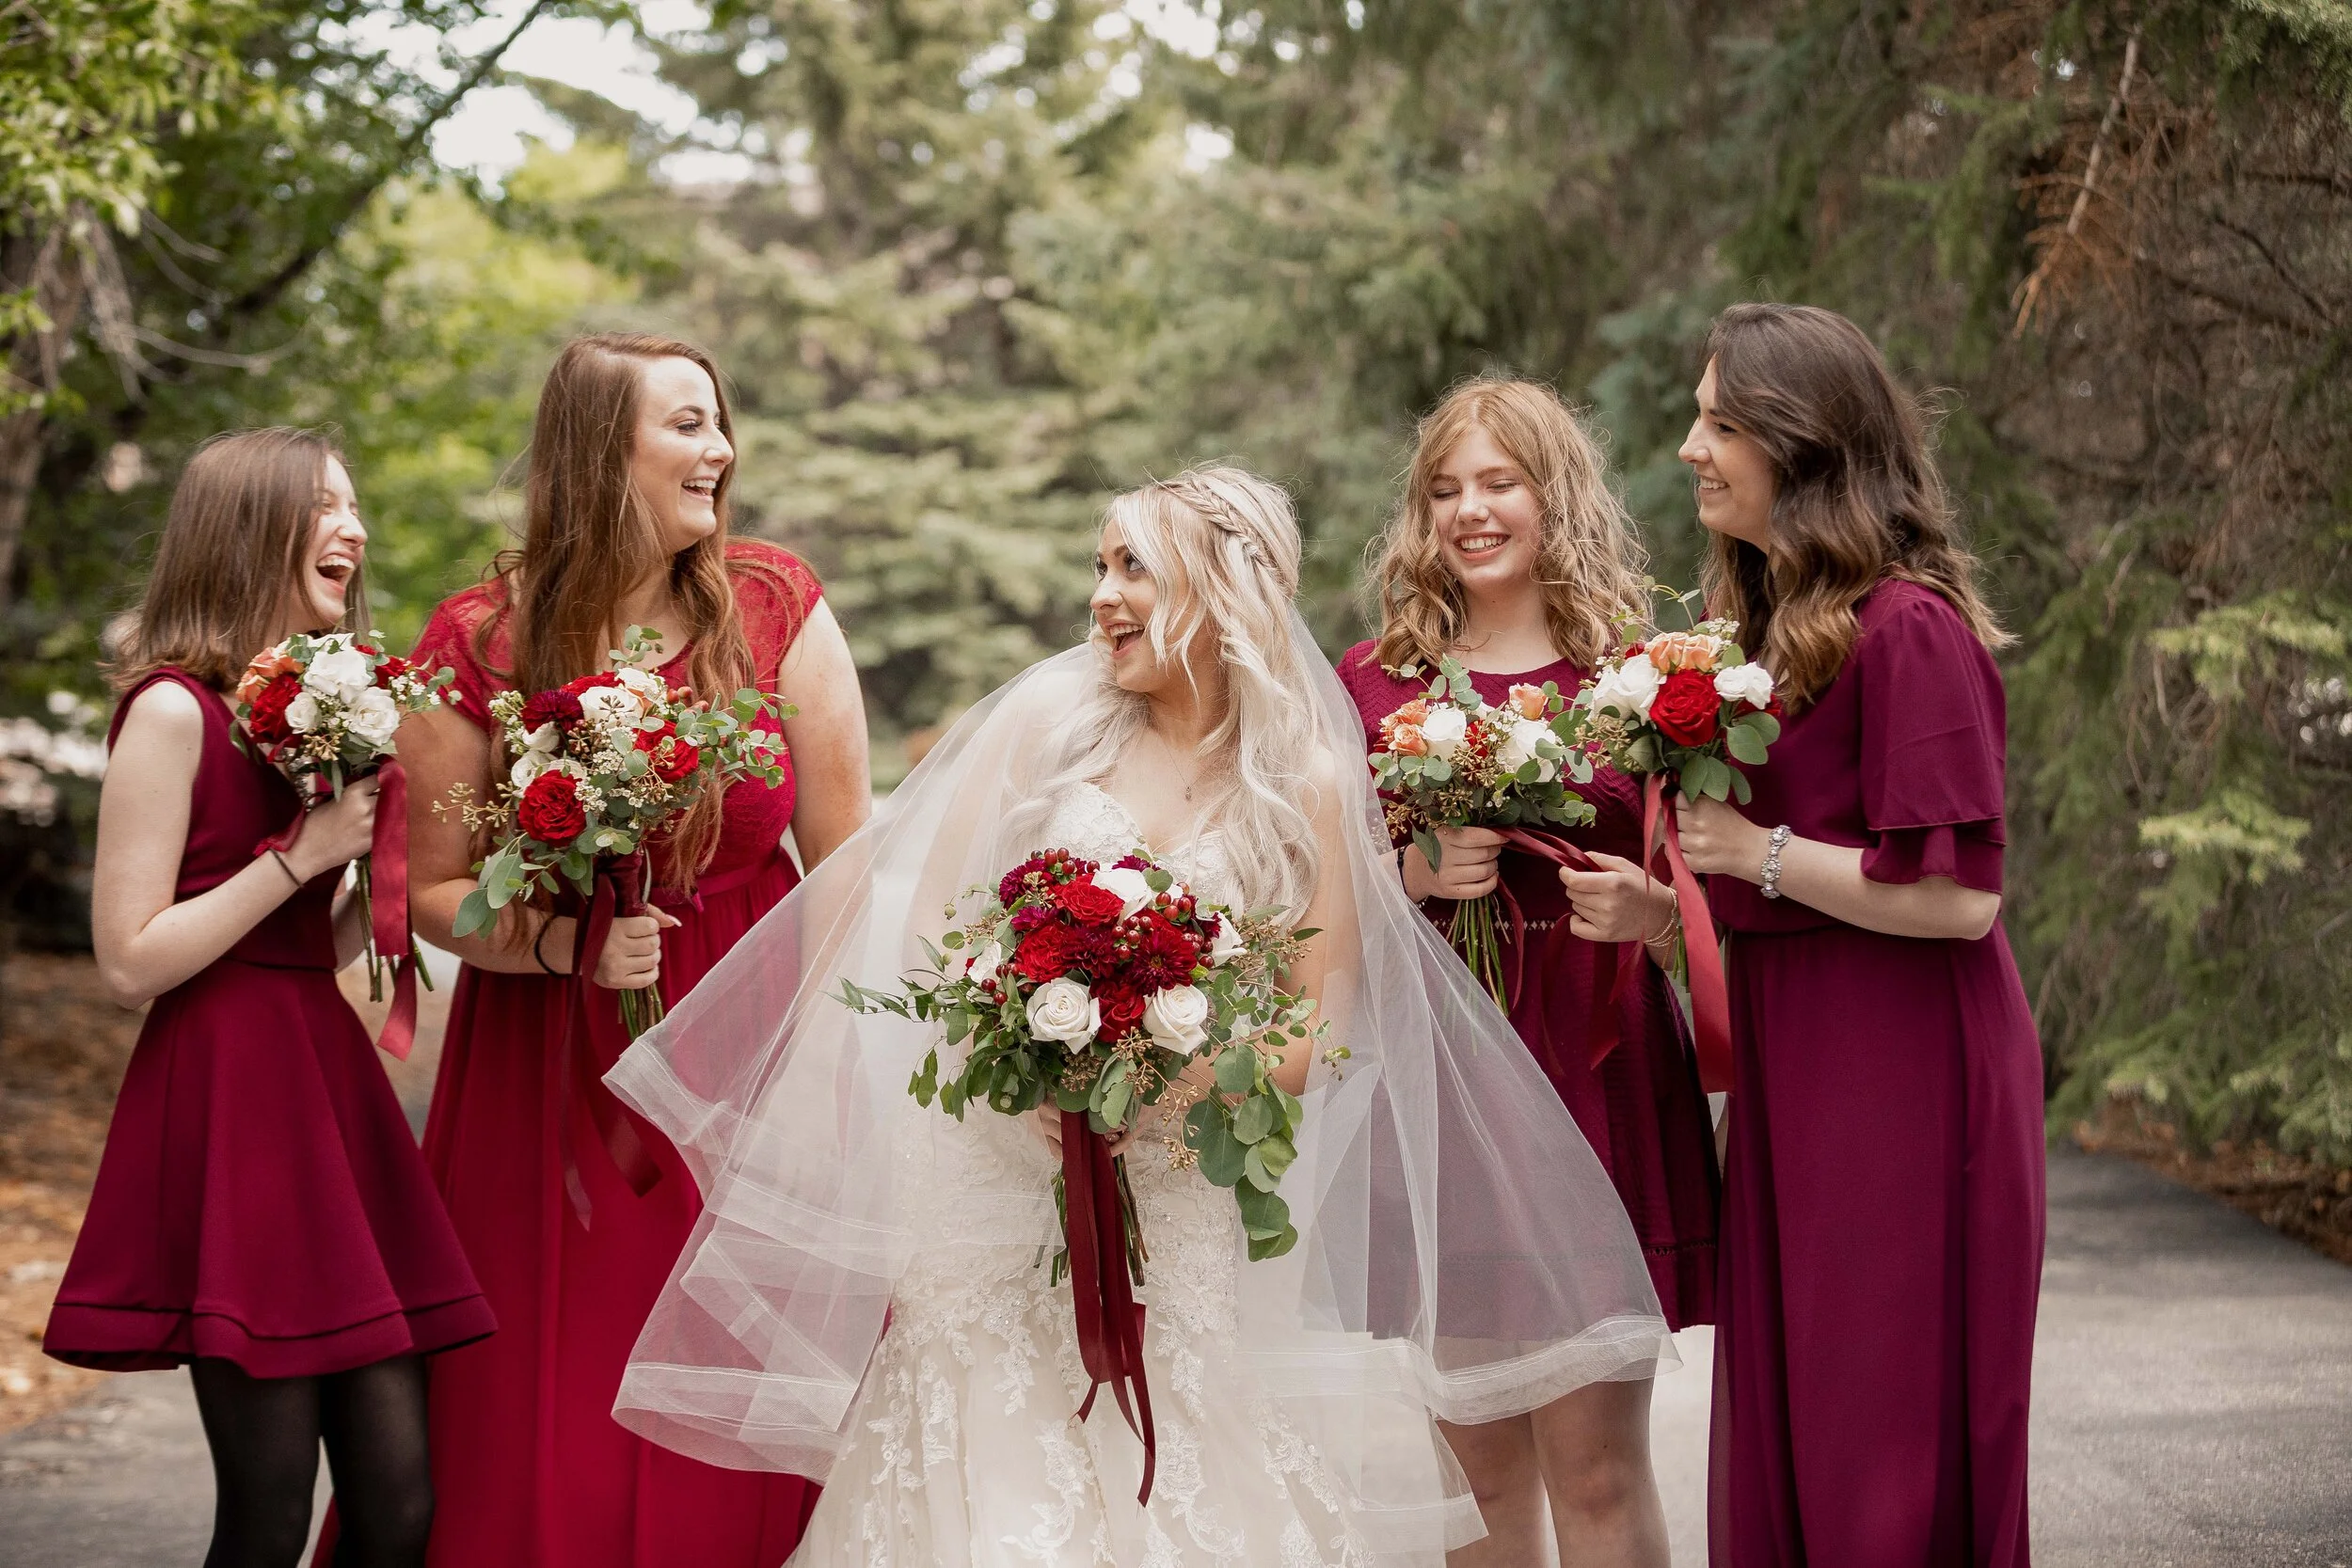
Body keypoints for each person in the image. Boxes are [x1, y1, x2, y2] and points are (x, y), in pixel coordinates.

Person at [599, 465, 1676, 1565]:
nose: (1102, 594)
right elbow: (931, 933)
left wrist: (1164, 1081)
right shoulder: (1046, 724)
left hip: (1182, 1188)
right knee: (988, 1461)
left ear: (1222, 587)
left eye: (1134, 567)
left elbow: (1319, 1029)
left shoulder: (1307, 776)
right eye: (1099, 565)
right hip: (992, 1175)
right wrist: (1021, 1057)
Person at [394, 333, 870, 1567]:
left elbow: (850, 859)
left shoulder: (775, 602)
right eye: (687, 424)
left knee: (744, 1384)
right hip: (546, 1054)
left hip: (752, 1038)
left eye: (720, 422)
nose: (720, 449)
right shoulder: (479, 639)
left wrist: (828, 1065)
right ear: (604, 450)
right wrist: (566, 943)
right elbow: (432, 891)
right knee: (554, 1388)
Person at [46, 428, 494, 1567]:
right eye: (325, 505)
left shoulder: (302, 718)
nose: (355, 528)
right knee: (267, 1511)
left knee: (398, 1502)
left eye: (354, 504)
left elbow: (310, 938)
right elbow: (129, 959)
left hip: (320, 1077)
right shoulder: (171, 711)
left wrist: (391, 865)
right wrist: (302, 855)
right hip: (228, 1090)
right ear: (249, 527)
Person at [1660, 303, 2042, 1564]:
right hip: (1800, 1049)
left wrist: (1752, 852)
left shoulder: (1908, 626)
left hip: (1902, 1061)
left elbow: (1960, 897)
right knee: (1804, 1398)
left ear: (1799, 441)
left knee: (1876, 1411)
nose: (1690, 448)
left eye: (1718, 423)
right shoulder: (1772, 633)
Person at [1338, 376, 1717, 1568]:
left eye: (1498, 482)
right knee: (1480, 1479)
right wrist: (1407, 870)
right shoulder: (1374, 679)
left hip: (1596, 1067)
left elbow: (1714, 890)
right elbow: (1315, 902)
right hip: (1446, 1083)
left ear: (1553, 496)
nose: (1470, 510)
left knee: (1597, 1467)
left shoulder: (1642, 678)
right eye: (1444, 489)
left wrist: (1655, 914)